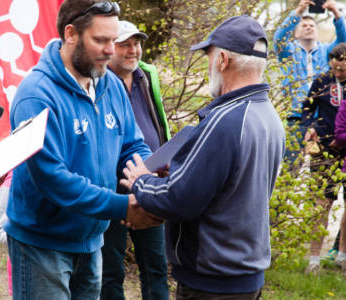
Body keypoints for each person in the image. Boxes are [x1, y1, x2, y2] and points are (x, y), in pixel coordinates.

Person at [120, 15, 285, 299]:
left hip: (213, 283)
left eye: (209, 58)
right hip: (245, 279)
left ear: (222, 60)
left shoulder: (225, 120)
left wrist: (140, 181)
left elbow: (178, 199)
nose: (209, 66)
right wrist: (185, 167)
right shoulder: (269, 116)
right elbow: (232, 185)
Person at [4, 1, 157, 299]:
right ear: (71, 34)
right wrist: (122, 207)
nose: (111, 50)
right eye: (101, 40)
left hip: (92, 241)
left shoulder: (110, 83)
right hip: (42, 245)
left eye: (113, 40)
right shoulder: (35, 95)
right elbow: (52, 179)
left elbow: (132, 144)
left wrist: (149, 176)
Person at [101, 20, 170, 300]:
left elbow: (158, 122)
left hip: (149, 184)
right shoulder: (100, 81)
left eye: (136, 44)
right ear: (109, 48)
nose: (133, 50)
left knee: (156, 265)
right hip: (112, 189)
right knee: (110, 269)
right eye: (125, 44)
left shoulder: (146, 76)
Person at [273, 0, 346, 163]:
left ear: (317, 31)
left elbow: (343, 42)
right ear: (296, 33)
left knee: (322, 169)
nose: (308, 27)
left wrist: (336, 13)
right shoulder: (288, 52)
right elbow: (278, 40)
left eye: (312, 26)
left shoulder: (327, 51)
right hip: (296, 118)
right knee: (291, 166)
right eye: (304, 25)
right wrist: (298, 11)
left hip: (323, 120)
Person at [302, 43, 346, 275]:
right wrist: (310, 127)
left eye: (342, 70)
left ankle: (342, 256)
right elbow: (307, 108)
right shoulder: (322, 80)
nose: (338, 73)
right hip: (324, 150)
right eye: (335, 68)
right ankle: (314, 260)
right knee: (321, 203)